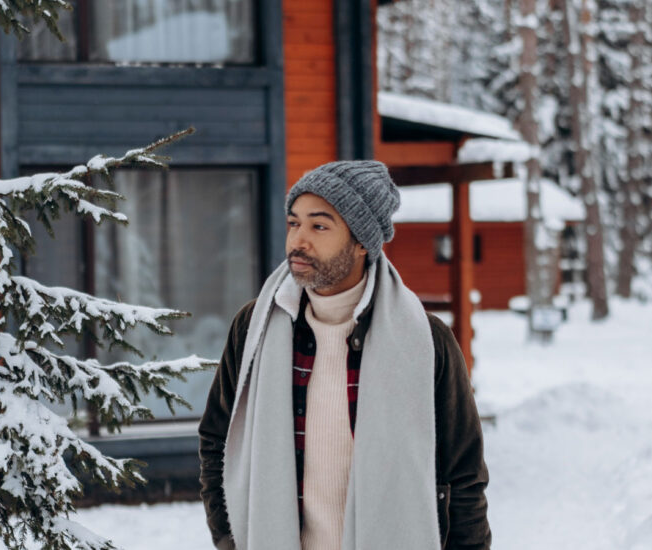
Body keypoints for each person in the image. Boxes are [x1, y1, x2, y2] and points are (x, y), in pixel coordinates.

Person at [198, 160, 491, 550]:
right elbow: (217, 440)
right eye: (293, 223)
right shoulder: (254, 327)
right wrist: (229, 539)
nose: (298, 240)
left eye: (319, 226)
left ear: (361, 243)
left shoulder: (425, 340)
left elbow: (463, 474)